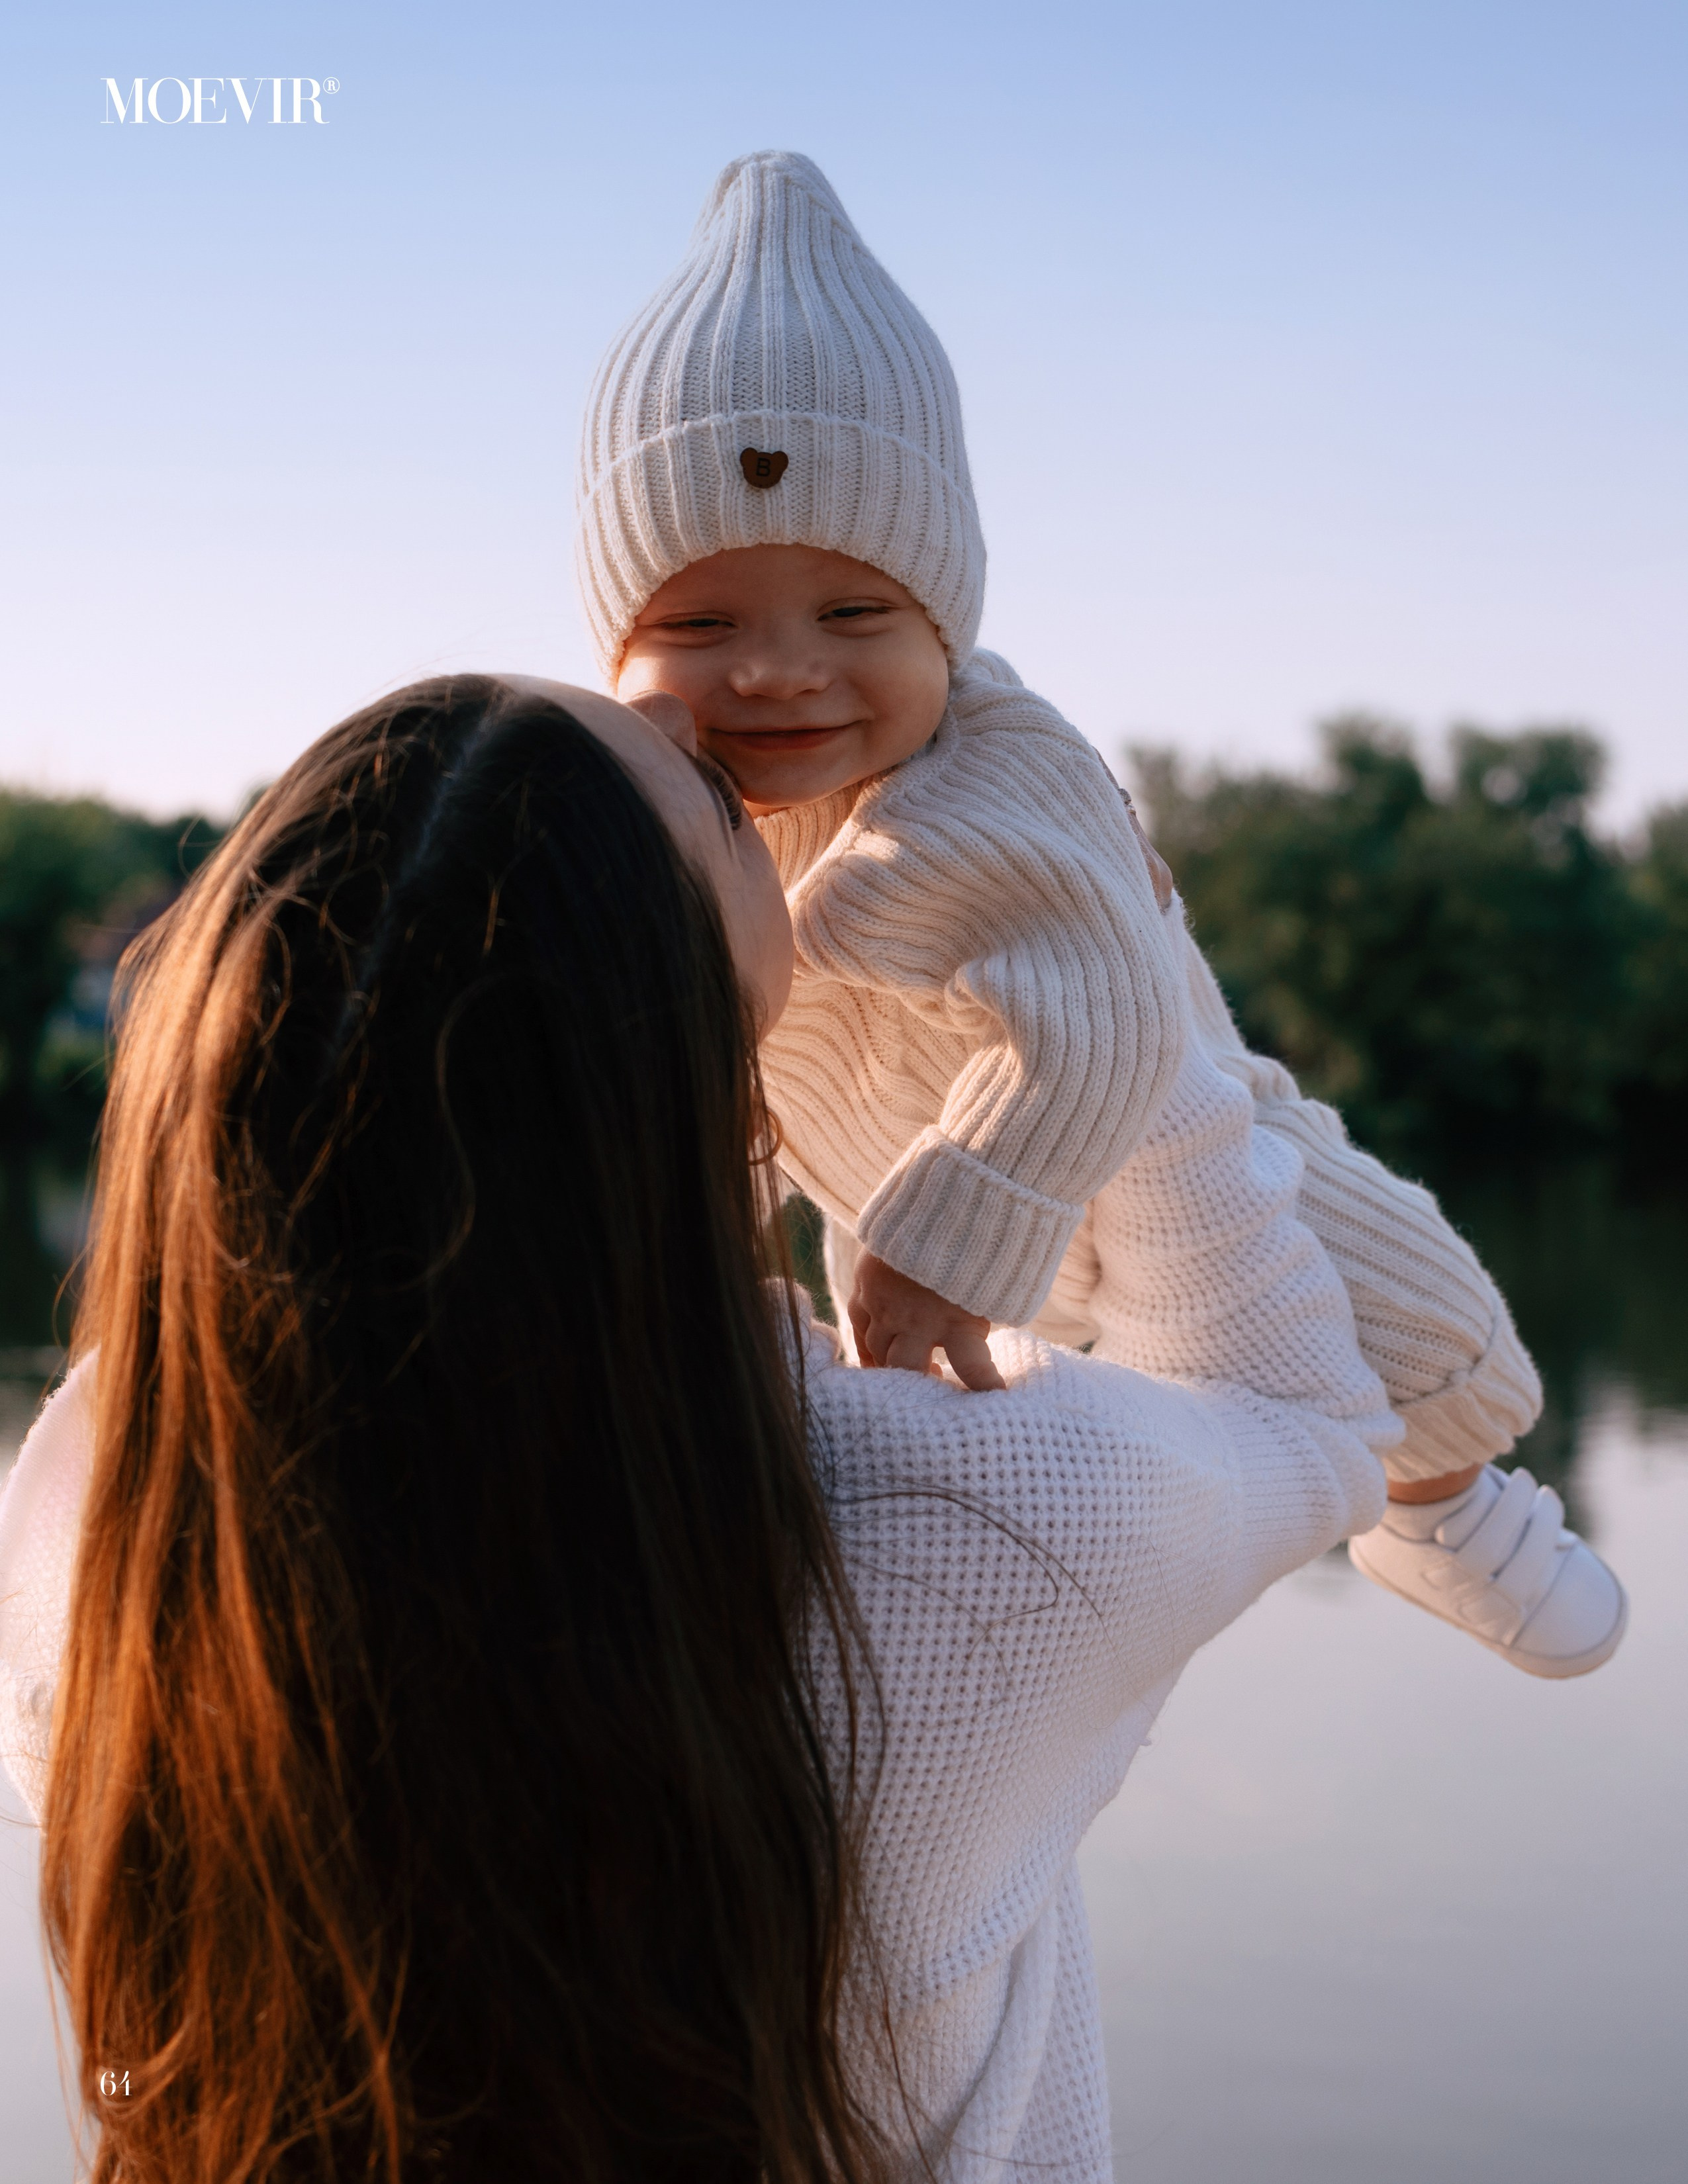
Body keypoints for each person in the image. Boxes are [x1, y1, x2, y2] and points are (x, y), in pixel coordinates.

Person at [4, 673, 1390, 2183]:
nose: (715, 721)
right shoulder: (962, 1547)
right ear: (667, 1028)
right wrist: (1115, 950)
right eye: (725, 812)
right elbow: (1305, 1419)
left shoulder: (103, 1519)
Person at [580, 149, 1626, 1678]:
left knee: (1410, 1344)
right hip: (986, 1269)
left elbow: (1106, 1018)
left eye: (855, 615)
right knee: (1080, 1492)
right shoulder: (671, 817)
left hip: (1141, 1187)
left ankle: (1448, 1510)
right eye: (701, 624)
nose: (779, 670)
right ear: (615, 638)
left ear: (951, 612)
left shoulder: (1005, 780)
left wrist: (951, 1237)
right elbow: (710, 1074)